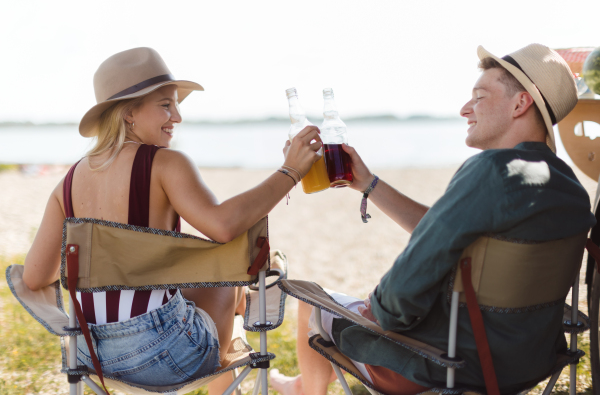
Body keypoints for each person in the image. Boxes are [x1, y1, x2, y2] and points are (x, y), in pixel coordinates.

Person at [270, 43, 597, 394]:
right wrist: (368, 184)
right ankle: (303, 383)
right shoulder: (569, 190)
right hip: (528, 360)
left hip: (451, 363)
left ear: (520, 104)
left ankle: (305, 390)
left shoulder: (491, 171)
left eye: (479, 96)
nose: (464, 109)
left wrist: (374, 311)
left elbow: (398, 297)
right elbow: (453, 233)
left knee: (311, 304)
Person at [21, 47, 321, 394]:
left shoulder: (68, 183)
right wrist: (291, 171)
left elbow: (33, 277)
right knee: (227, 284)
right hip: (166, 355)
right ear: (129, 112)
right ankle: (228, 388)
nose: (177, 116)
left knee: (201, 292)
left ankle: (233, 387)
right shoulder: (165, 164)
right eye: (166, 104)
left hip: (91, 354)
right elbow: (222, 226)